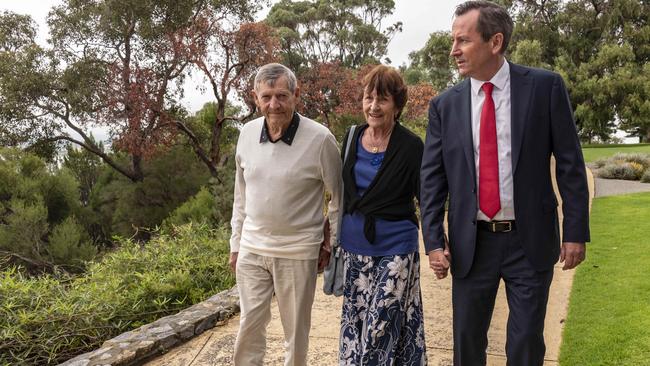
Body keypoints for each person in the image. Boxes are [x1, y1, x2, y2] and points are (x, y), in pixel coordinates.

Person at [420, 1, 590, 365]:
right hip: (471, 243)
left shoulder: (545, 87)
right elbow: (432, 180)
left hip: (530, 241)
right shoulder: (444, 106)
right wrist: (434, 241)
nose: (454, 51)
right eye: (453, 41)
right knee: (467, 344)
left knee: (526, 342)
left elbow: (571, 165)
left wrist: (575, 231)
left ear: (495, 42)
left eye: (462, 41)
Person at [229, 63, 341, 366]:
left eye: (281, 96)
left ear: (296, 94)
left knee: (295, 332)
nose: (274, 104)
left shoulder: (320, 139)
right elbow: (241, 196)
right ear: (255, 97)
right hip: (252, 248)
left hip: (297, 251)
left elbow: (338, 198)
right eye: (266, 97)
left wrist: (331, 242)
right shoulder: (247, 134)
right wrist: (235, 244)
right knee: (249, 324)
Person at [338, 65, 426, 365]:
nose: (373, 106)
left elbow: (426, 198)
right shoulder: (351, 137)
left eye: (383, 99)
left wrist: (438, 244)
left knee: (379, 330)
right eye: (368, 98)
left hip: (396, 249)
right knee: (357, 326)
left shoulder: (412, 146)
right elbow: (340, 193)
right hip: (354, 250)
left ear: (397, 105)